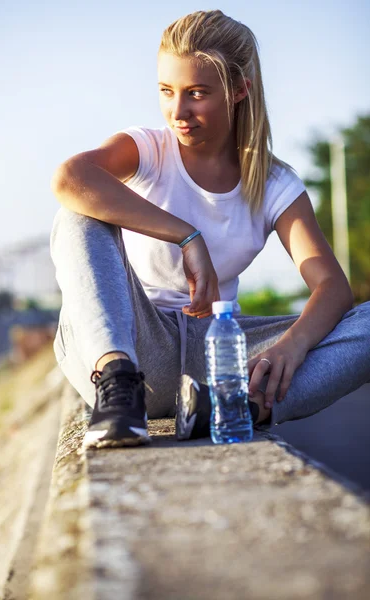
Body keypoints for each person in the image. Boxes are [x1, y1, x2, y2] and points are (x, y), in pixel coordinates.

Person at [50, 9, 370, 449]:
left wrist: (290, 347)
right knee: (76, 211)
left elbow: (332, 287)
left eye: (196, 93)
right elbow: (68, 178)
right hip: (133, 344)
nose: (177, 111)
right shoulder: (147, 150)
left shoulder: (275, 184)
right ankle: (117, 389)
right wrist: (186, 235)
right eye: (167, 91)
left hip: (216, 361)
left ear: (239, 89)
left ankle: (231, 408)